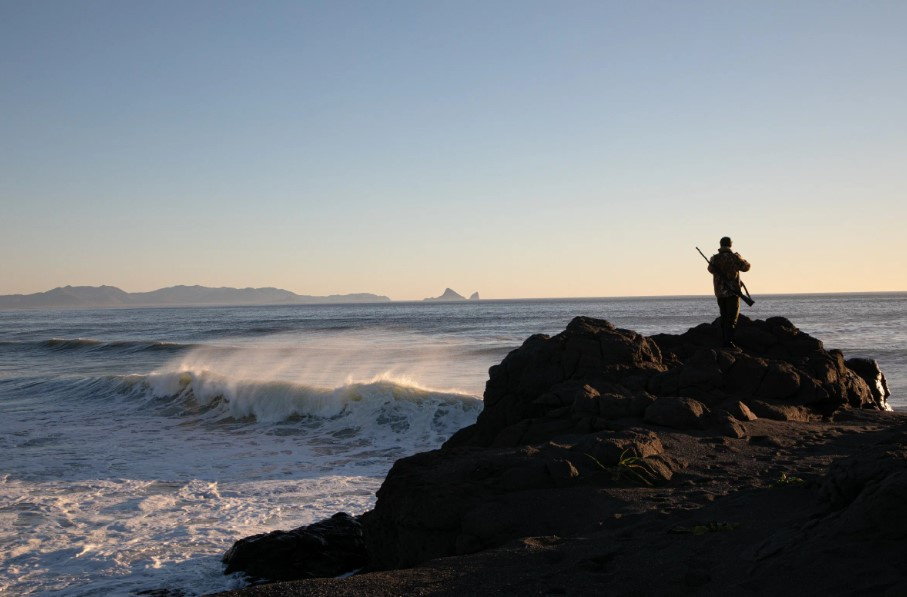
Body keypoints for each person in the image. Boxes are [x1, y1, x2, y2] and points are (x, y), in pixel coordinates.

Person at [708, 237, 751, 348]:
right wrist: (741, 258)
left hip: (720, 293)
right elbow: (746, 267)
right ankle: (729, 342)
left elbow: (710, 270)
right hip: (733, 293)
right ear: (730, 245)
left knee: (724, 316)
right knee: (731, 318)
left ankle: (724, 340)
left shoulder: (714, 258)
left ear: (720, 244)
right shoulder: (735, 257)